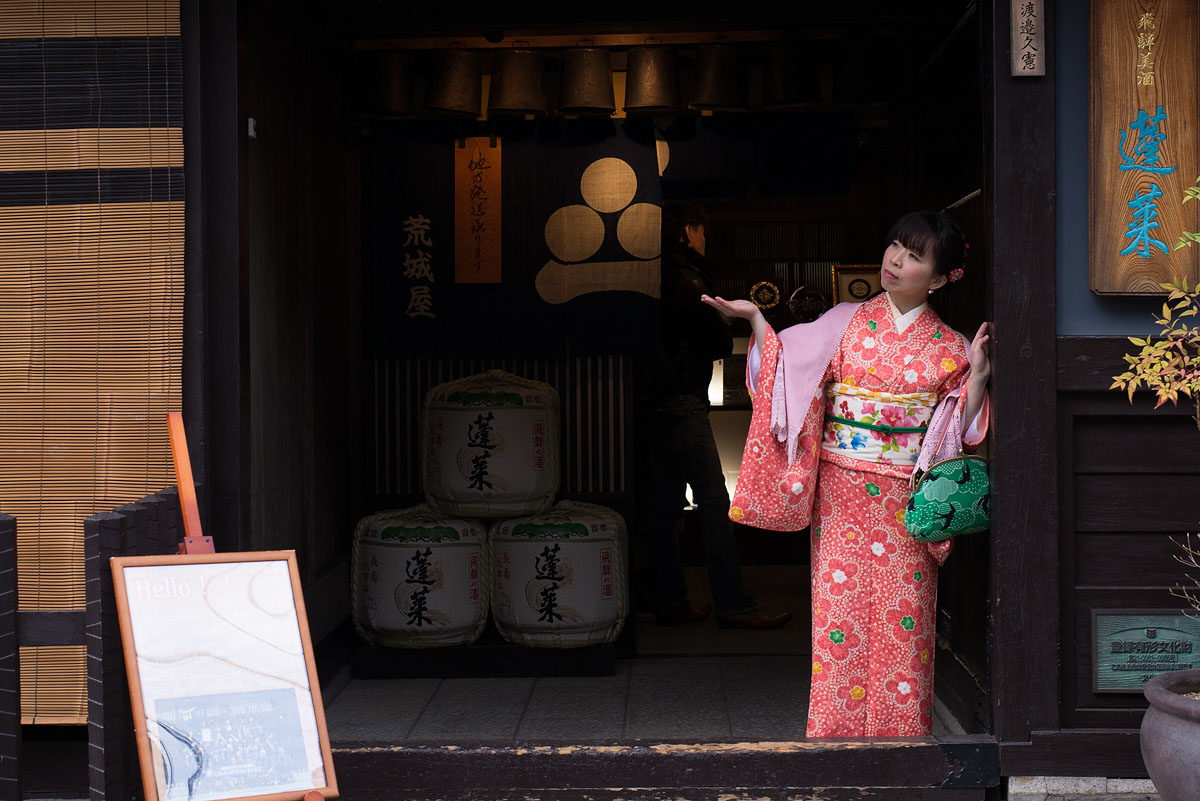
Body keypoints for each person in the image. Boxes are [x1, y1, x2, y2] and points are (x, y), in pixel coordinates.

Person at [703, 211, 992, 736]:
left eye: (914, 255)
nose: (895, 261)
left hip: (907, 496)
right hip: (841, 496)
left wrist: (975, 381)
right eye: (895, 247)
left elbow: (959, 432)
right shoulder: (844, 322)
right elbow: (788, 368)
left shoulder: (952, 347)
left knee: (905, 622)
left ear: (943, 276)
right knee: (838, 620)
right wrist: (757, 323)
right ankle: (837, 745)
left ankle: (901, 744)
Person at [634, 201, 793, 630]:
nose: (707, 240)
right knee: (714, 500)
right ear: (688, 231)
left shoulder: (652, 273)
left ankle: (671, 601)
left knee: (666, 504)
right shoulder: (687, 280)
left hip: (654, 400)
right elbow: (718, 343)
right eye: (703, 232)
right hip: (683, 398)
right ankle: (734, 604)